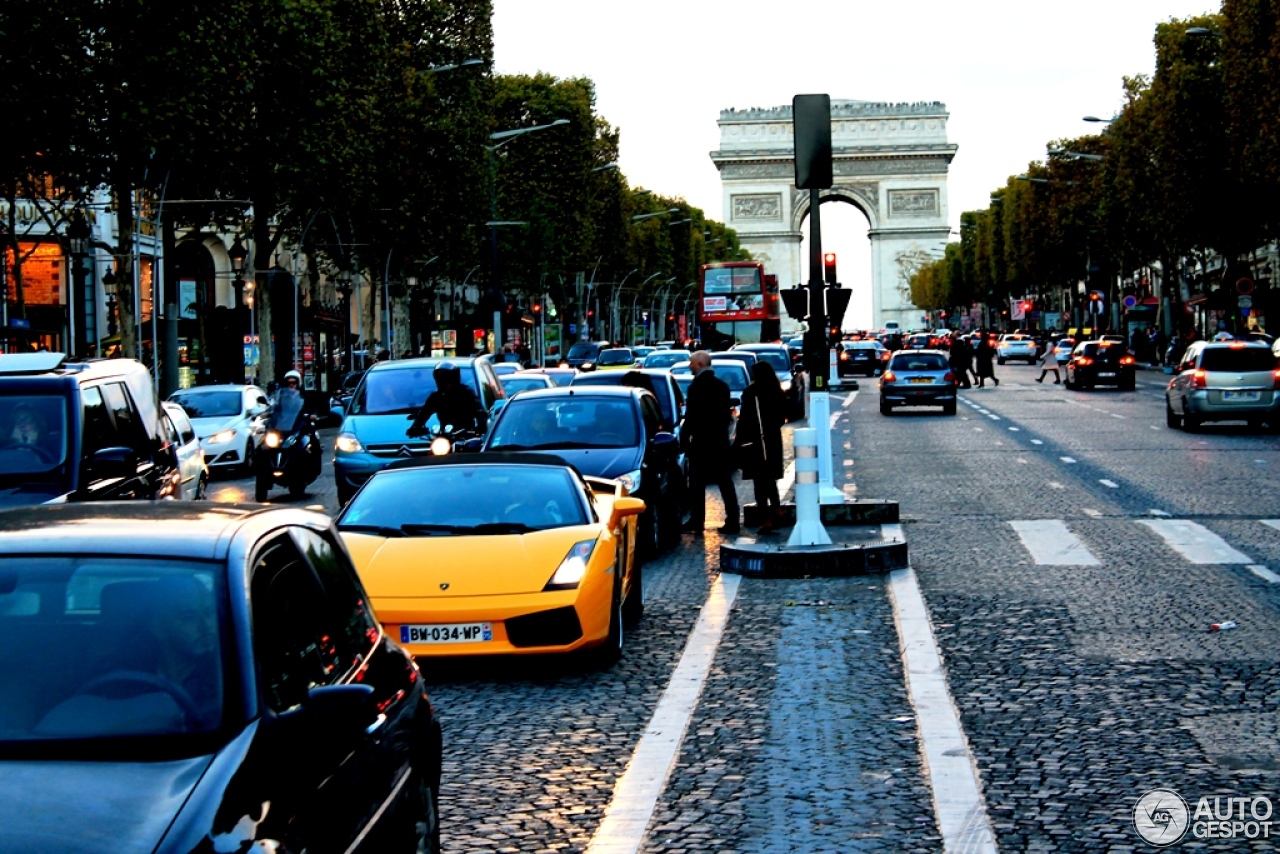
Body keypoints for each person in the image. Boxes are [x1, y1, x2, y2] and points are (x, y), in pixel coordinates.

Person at [681, 351, 740, 535]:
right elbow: (725, 415)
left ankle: (698, 520)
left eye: (692, 363)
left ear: (699, 364)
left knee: (697, 483)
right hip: (719, 440)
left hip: (701, 441)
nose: (690, 366)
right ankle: (733, 519)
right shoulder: (722, 386)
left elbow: (691, 417)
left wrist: (685, 438)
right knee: (724, 481)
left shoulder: (695, 387)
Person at [736, 362, 786, 534]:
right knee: (770, 479)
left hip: (756, 442)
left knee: (759, 482)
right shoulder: (776, 390)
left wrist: (739, 441)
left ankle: (765, 519)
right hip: (773, 440)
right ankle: (777, 508)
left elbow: (745, 420)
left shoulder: (752, 393)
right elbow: (782, 417)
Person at [407, 362, 487, 438]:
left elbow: (479, 411)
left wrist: (481, 426)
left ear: (455, 379)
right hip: (444, 434)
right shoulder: (436, 396)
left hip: (465, 436)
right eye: (441, 381)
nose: (445, 384)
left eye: (448, 381)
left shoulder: (466, 393)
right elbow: (424, 412)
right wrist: (416, 426)